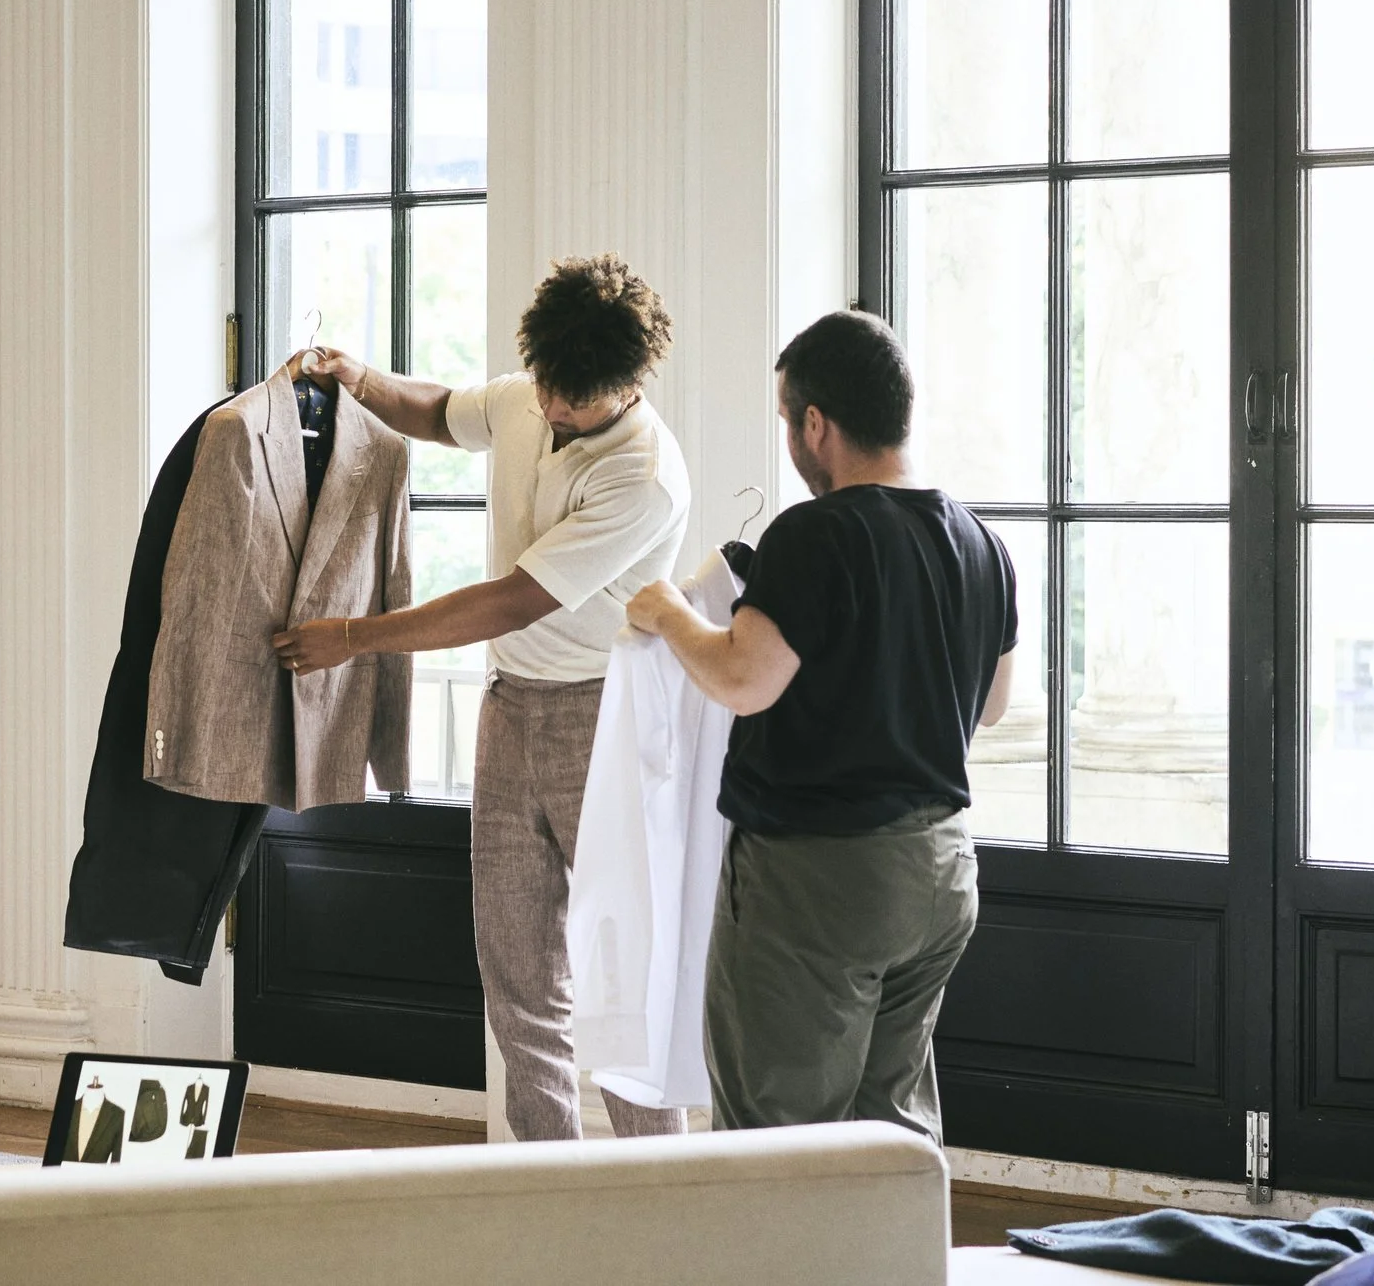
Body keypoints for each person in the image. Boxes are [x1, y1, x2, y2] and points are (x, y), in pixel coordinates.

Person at [272, 253, 692, 1141]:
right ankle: (547, 1183)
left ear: (623, 385)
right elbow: (443, 412)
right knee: (516, 968)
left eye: (568, 400)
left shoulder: (645, 477)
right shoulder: (529, 395)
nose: (546, 409)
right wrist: (363, 381)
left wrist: (352, 637)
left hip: (601, 719)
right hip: (509, 706)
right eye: (541, 386)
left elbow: (513, 599)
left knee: (618, 980)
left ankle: (664, 1190)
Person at [624, 308, 1016, 1141]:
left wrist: (668, 615)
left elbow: (742, 679)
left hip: (820, 882)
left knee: (779, 1136)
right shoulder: (984, 544)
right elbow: (991, 704)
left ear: (816, 423)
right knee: (890, 1131)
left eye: (787, 424)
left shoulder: (816, 533)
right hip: (942, 873)